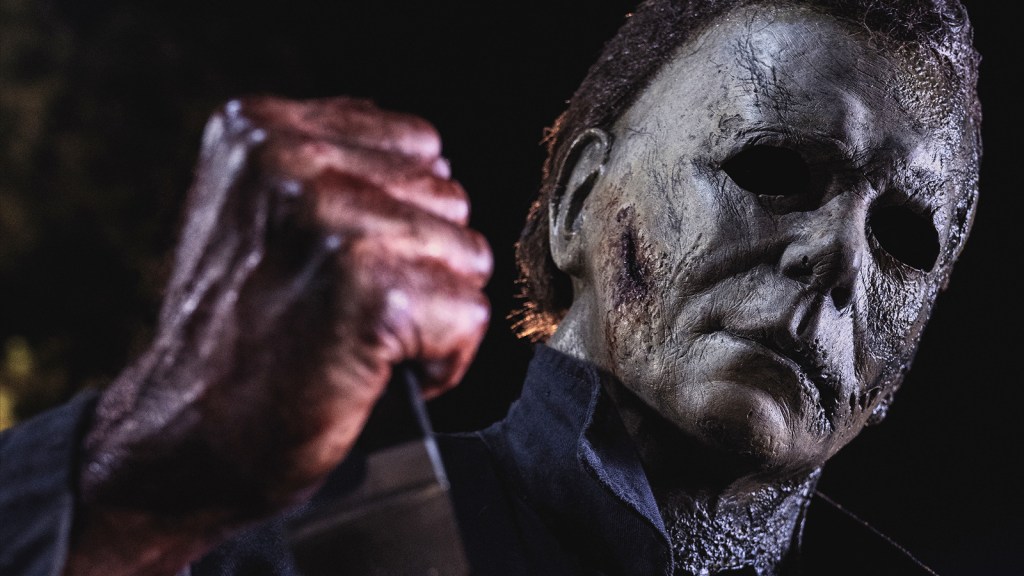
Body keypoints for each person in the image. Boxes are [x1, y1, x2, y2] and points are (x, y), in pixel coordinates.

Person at [0, 0, 982, 575]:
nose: (838, 258)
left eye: (903, 240)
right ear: (577, 203)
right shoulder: (262, 546)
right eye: (772, 168)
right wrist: (142, 469)